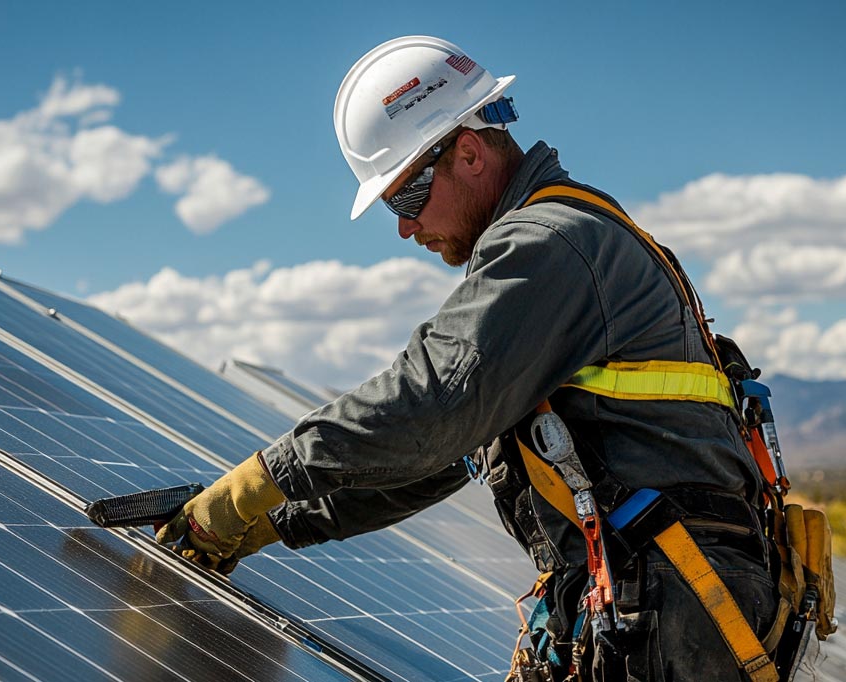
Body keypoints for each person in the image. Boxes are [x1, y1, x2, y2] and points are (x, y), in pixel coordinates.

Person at [157, 35, 780, 681]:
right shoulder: (567, 241)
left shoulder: (549, 242)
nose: (403, 227)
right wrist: (276, 522)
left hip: (672, 609)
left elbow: (435, 402)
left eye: (404, 198)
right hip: (664, 600)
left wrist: (261, 479)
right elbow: (442, 458)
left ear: (470, 152)